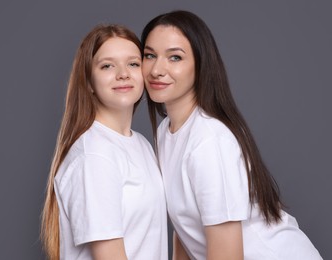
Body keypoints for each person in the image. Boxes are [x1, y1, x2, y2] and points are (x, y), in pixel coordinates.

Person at [141, 10, 322, 260]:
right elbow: (184, 227)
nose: (157, 69)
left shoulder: (209, 140)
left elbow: (227, 254)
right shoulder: (165, 132)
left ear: (200, 65)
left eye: (175, 57)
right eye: (149, 55)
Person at [41, 24, 168, 260]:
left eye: (133, 63)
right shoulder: (94, 154)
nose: (123, 73)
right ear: (88, 82)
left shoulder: (141, 145)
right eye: (107, 65)